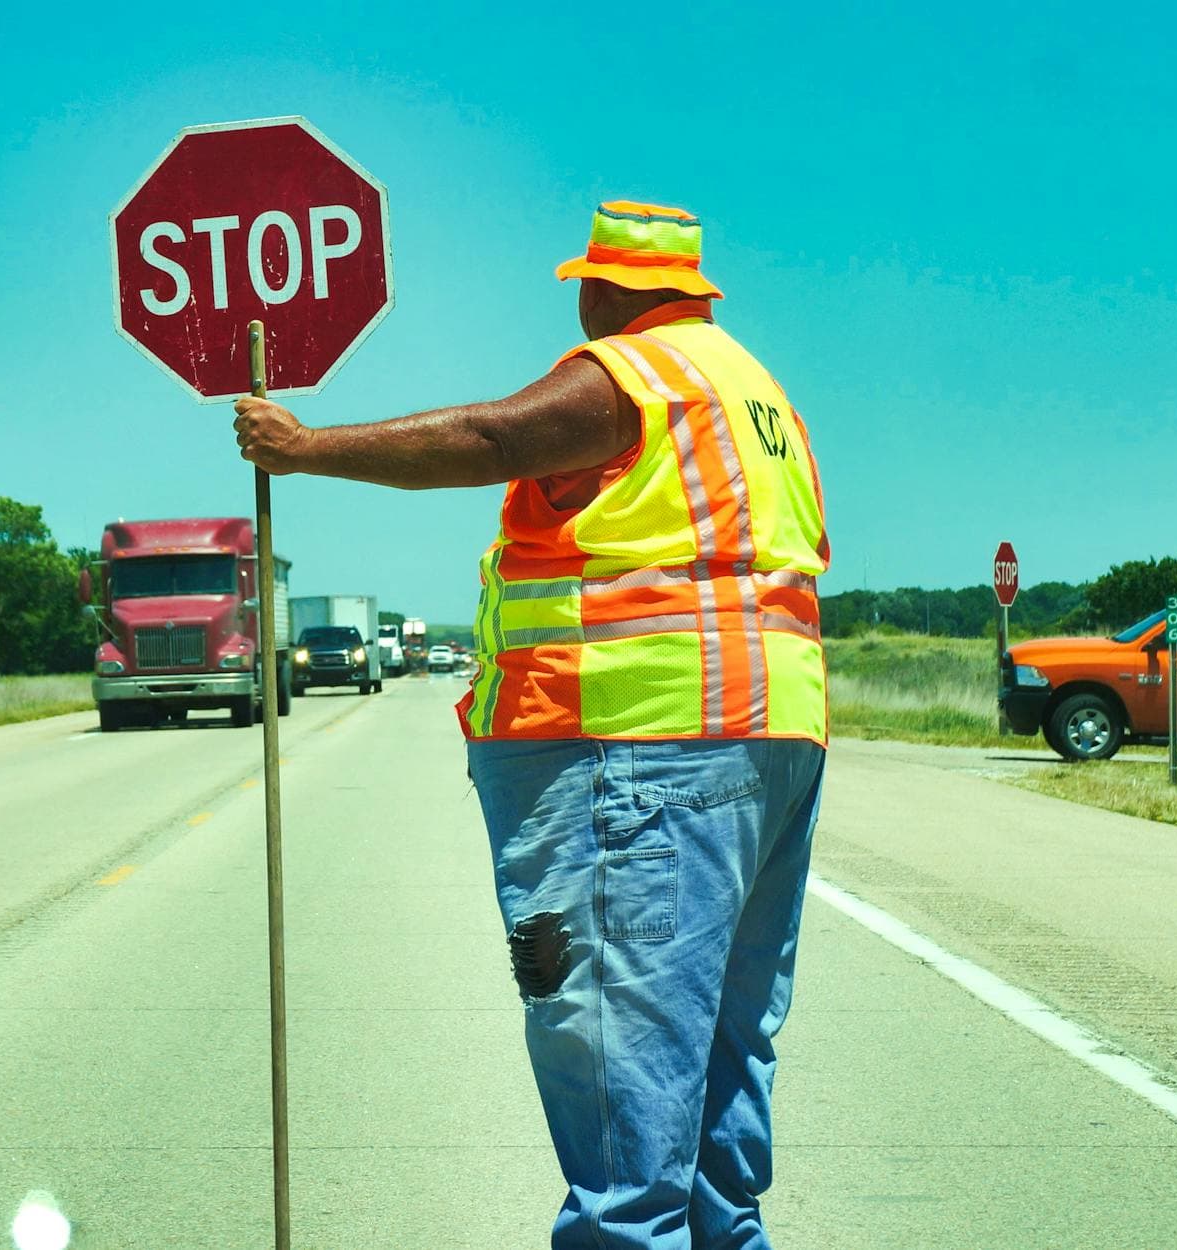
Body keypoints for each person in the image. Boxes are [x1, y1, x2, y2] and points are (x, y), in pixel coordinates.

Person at [232, 200, 829, 1250]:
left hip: (639, 746)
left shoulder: (631, 373)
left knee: (619, 1058)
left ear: (608, 289)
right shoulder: (753, 388)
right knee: (725, 1050)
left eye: (585, 289)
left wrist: (302, 446)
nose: (581, 307)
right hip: (767, 735)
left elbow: (488, 435)